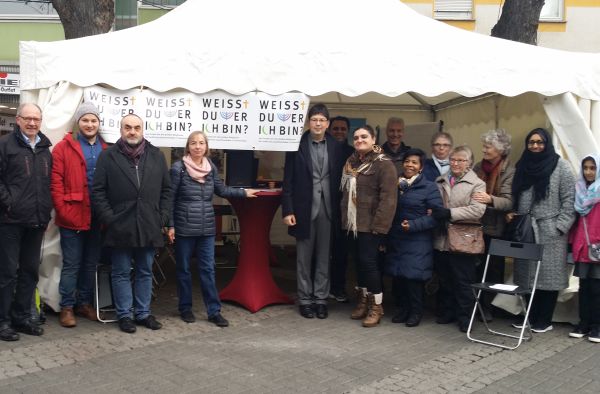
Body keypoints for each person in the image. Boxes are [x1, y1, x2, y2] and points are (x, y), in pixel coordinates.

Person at [168, 131, 258, 327]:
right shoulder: (178, 169)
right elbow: (170, 198)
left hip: (207, 228)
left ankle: (214, 311)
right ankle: (185, 308)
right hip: (184, 228)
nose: (198, 146)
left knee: (208, 270)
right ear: (188, 146)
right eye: (194, 143)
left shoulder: (211, 168)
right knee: (183, 270)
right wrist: (171, 225)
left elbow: (222, 190)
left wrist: (243, 192)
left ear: (206, 147)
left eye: (201, 143)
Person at [92, 113, 171, 334]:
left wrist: (162, 217)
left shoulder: (156, 156)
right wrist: (109, 218)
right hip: (120, 225)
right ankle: (125, 315)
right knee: (120, 272)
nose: (132, 131)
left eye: (136, 127)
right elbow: (98, 191)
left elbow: (167, 190)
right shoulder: (108, 157)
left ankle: (143, 313)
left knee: (145, 271)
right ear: (121, 130)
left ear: (142, 130)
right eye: (128, 127)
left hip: (148, 223)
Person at [509, 128, 575, 333]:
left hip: (550, 230)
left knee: (548, 277)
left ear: (547, 144)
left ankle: (544, 320)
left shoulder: (561, 166)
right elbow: (515, 194)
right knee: (526, 275)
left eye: (540, 142)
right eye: (531, 142)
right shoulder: (522, 166)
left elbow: (569, 200)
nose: (535, 146)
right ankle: (529, 316)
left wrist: (559, 227)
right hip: (526, 228)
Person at [282, 103, 344, 319]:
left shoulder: (337, 147)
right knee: (303, 258)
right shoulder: (296, 145)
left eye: (322, 120)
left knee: (324, 257)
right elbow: (287, 180)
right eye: (314, 119)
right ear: (309, 122)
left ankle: (320, 299)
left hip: (328, 209)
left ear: (327, 124)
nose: (318, 123)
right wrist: (287, 210)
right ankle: (305, 300)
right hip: (303, 209)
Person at [51, 102, 107, 328]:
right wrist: (64, 211)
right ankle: (66, 307)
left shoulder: (106, 149)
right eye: (85, 120)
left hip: (97, 217)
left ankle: (83, 304)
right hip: (72, 216)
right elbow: (55, 184)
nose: (89, 124)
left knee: (90, 263)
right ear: (78, 122)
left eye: (93, 120)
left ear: (98, 123)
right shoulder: (63, 148)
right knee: (72, 264)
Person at [0, 103, 52, 341]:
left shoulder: (44, 148)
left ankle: (22, 317)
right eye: (28, 118)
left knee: (30, 272)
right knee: (7, 273)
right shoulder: (5, 145)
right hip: (10, 221)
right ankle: (3, 321)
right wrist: (8, 202)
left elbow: (47, 183)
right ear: (18, 120)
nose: (32, 123)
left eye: (36, 119)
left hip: (37, 220)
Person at [341, 125, 397, 327]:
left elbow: (388, 199)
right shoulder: (351, 162)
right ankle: (363, 300)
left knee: (370, 266)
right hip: (352, 224)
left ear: (373, 139)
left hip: (371, 226)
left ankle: (377, 306)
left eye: (364, 136)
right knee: (359, 265)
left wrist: (380, 228)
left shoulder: (384, 164)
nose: (359, 140)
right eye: (356, 137)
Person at [385, 148, 443, 327]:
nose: (410, 165)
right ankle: (403, 310)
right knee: (399, 277)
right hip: (397, 237)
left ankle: (416, 312)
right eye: (407, 161)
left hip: (417, 239)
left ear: (421, 167)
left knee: (413, 278)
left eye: (414, 162)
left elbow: (436, 215)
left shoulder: (429, 187)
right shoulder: (395, 184)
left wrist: (414, 225)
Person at [432, 145, 486, 332]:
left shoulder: (477, 184)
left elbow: (477, 210)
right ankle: (448, 313)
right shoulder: (440, 180)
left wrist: (449, 213)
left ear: (469, 163)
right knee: (445, 279)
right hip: (442, 238)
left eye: (460, 160)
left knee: (463, 281)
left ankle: (466, 318)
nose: (455, 163)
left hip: (464, 240)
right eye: (453, 159)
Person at [472, 129, 514, 321]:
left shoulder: (508, 170)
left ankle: (489, 307)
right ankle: (475, 305)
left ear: (500, 149)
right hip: (475, 225)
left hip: (495, 229)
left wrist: (490, 199)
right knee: (475, 267)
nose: (484, 149)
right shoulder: (478, 167)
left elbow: (509, 201)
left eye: (488, 146)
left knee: (493, 269)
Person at [569, 154, 600, 342]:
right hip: (582, 245)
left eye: (593, 168)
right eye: (586, 168)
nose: (588, 172)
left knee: (597, 287)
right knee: (584, 287)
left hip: (597, 246)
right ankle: (584, 322)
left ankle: (597, 325)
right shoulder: (579, 189)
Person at [327, 115, 354, 302]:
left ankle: (338, 288)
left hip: (345, 210)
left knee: (340, 252)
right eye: (335, 128)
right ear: (329, 129)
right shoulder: (323, 148)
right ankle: (320, 287)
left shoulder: (353, 153)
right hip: (324, 207)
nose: (339, 132)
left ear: (348, 131)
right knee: (320, 251)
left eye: (342, 129)